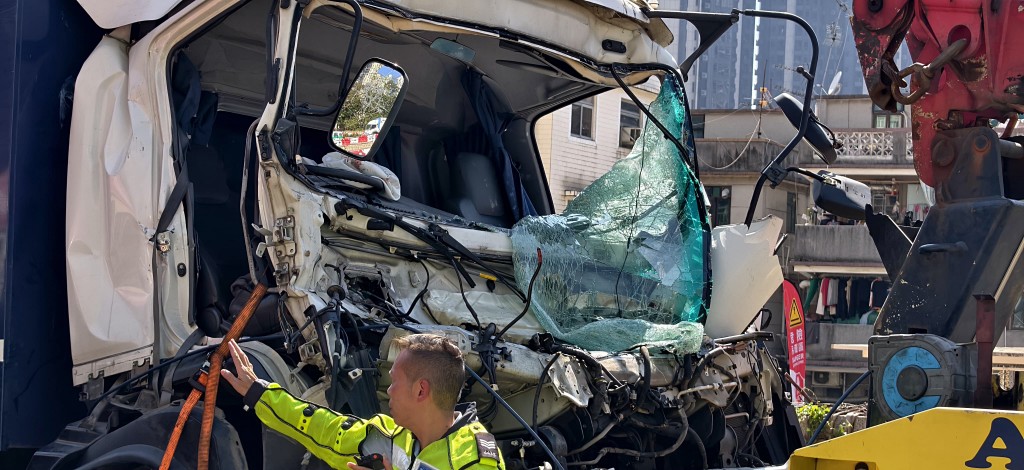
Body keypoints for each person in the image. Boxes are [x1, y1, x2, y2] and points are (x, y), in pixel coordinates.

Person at [221, 334, 505, 470]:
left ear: (421, 391)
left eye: (395, 382)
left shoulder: (478, 462)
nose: (389, 391)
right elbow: (327, 430)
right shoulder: (394, 437)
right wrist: (259, 392)